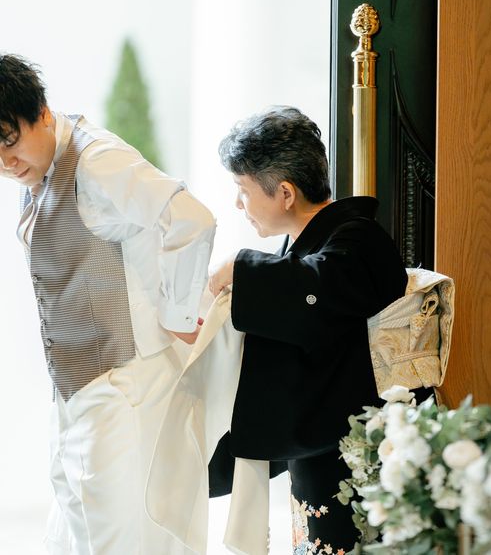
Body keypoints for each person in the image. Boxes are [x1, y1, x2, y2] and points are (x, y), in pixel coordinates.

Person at [0, 54, 215, 555]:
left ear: (42, 113)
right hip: (78, 387)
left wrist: (179, 313)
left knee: (119, 537)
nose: (6, 163)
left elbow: (191, 218)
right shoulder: (41, 169)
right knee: (80, 526)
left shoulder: (97, 161)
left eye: (9, 141)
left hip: (124, 383)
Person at [208, 105, 428, 554]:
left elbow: (312, 295)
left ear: (285, 193)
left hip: (361, 457)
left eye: (243, 190)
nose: (238, 205)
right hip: (323, 453)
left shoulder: (358, 240)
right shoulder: (310, 246)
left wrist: (237, 266)